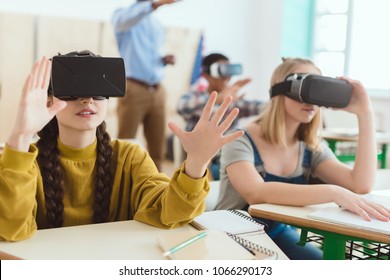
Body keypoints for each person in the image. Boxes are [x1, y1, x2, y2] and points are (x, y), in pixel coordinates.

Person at [0, 52, 244, 242]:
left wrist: (196, 163)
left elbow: (170, 214)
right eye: (72, 91)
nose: (87, 99)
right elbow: (11, 230)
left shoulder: (129, 157)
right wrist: (20, 136)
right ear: (49, 100)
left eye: (98, 91)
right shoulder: (23, 160)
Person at [215, 57, 390, 260]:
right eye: (305, 88)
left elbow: (360, 185)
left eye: (317, 91)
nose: (311, 101)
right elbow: (255, 192)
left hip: (278, 234)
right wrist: (332, 191)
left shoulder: (310, 147)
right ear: (280, 91)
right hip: (231, 234)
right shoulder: (239, 139)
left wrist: (365, 113)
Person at [112, 0, 178, 170]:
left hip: (158, 90)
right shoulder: (123, 16)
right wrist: (156, 4)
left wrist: (163, 60)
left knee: (158, 148)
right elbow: (127, 20)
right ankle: (120, 187)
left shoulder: (156, 24)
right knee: (125, 144)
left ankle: (157, 189)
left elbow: (150, 55)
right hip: (134, 89)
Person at [177, 53, 263, 179]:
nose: (226, 78)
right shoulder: (195, 96)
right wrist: (217, 100)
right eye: (221, 74)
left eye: (228, 73)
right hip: (204, 158)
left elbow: (255, 107)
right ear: (206, 75)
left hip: (230, 154)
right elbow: (181, 107)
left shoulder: (233, 98)